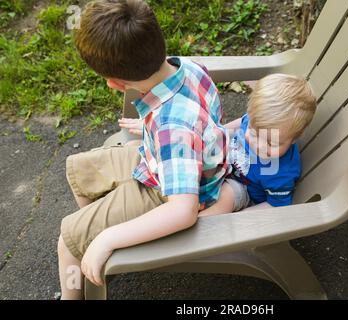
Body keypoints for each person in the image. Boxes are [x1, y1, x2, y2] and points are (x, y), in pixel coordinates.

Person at [57, 0, 228, 299]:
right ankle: (103, 242)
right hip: (167, 158)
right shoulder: (185, 67)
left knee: (67, 240)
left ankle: (91, 243)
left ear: (114, 84)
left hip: (169, 191)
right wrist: (152, 128)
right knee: (80, 169)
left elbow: (183, 210)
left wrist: (108, 237)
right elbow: (196, 120)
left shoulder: (172, 127)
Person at [199, 74, 317, 217]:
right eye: (254, 134)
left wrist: (243, 218)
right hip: (226, 164)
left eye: (271, 142)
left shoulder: (281, 173)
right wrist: (219, 135)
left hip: (244, 189)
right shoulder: (257, 121)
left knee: (227, 196)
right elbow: (239, 123)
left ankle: (199, 225)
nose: (259, 146)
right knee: (199, 155)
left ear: (295, 138)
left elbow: (276, 205)